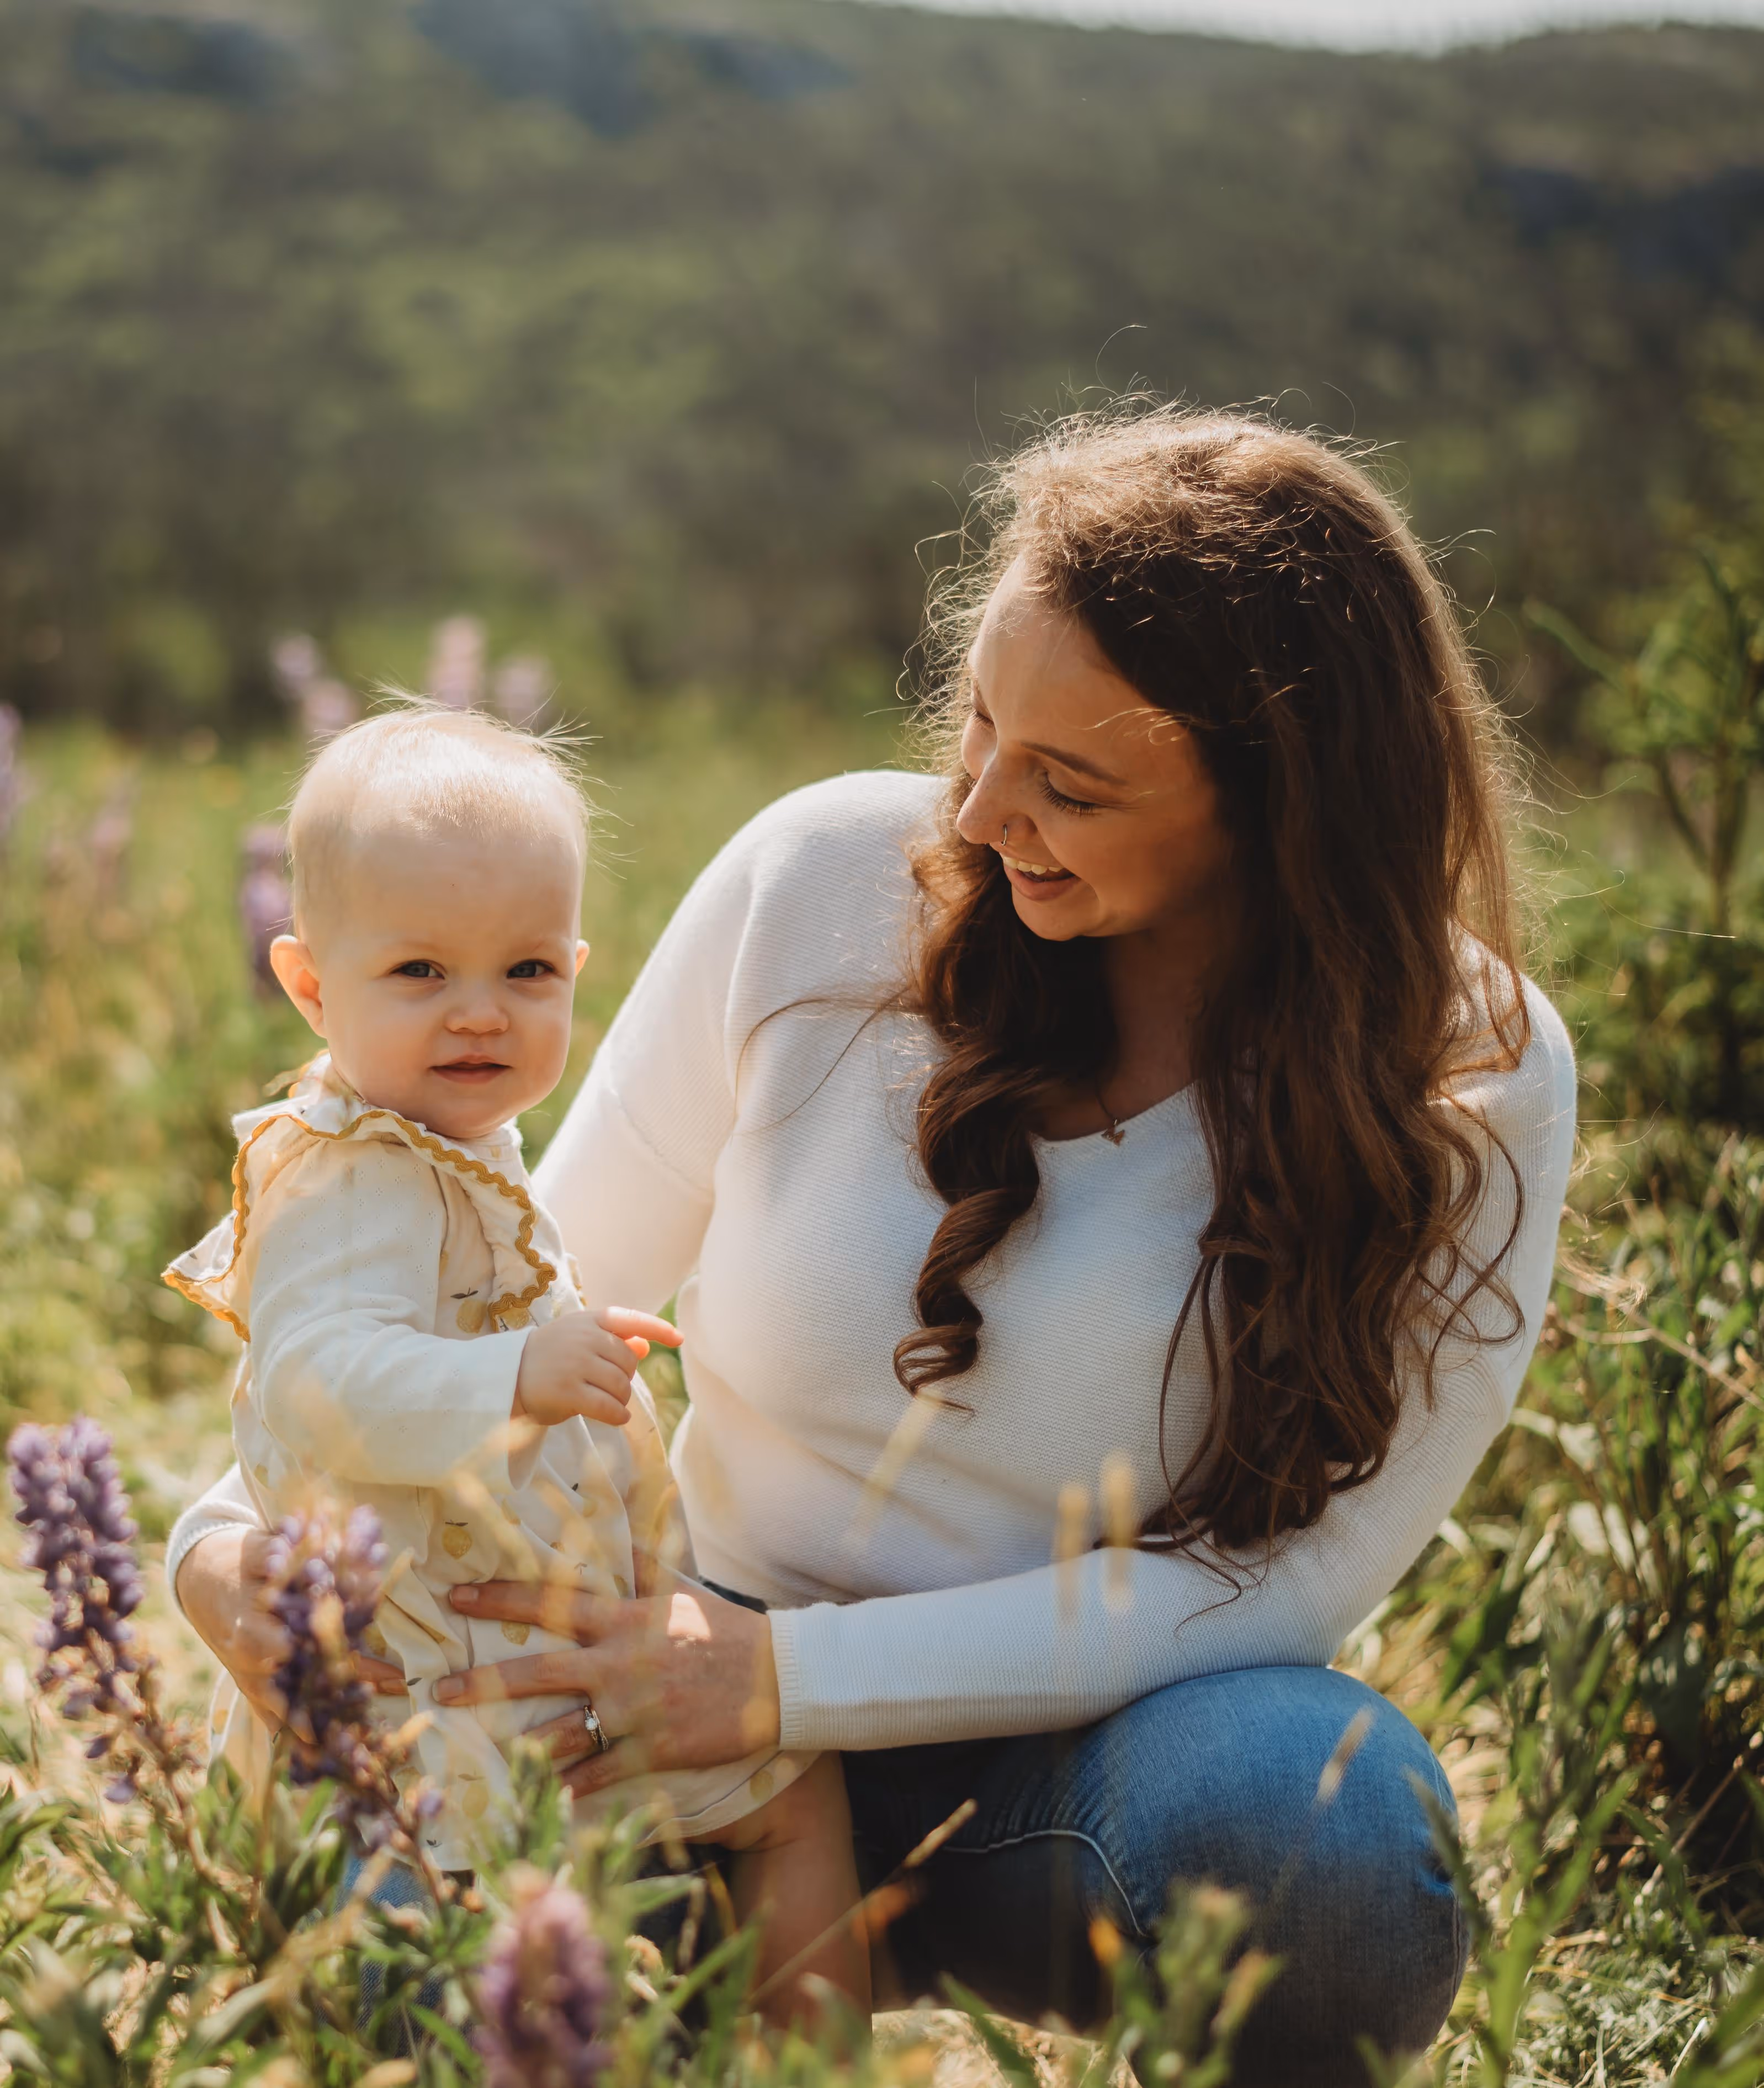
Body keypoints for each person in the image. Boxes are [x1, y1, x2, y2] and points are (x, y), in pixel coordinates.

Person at [169, 409, 1577, 2085]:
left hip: (1085, 1774)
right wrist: (210, 1545)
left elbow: (1294, 1577)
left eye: (1072, 781)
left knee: (1324, 1836)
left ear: (1278, 800)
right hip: (666, 1705)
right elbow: (503, 1297)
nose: (981, 808)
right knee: (393, 1972)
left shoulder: (1470, 1069)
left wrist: (794, 1682)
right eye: (983, 723)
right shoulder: (823, 874)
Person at [163, 703, 867, 2025]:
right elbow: (314, 1380)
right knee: (433, 1921)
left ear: (577, 967)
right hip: (433, 1663)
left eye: (528, 972)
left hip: (527, 1620)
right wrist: (518, 1378)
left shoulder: (451, 1137)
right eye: (420, 972)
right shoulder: (353, 1174)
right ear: (311, 985)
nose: (479, 1014)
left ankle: (796, 2057)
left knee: (780, 1784)